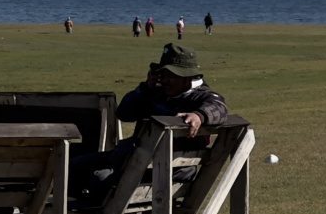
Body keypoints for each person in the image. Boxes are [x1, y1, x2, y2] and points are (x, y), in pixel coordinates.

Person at [71, 43, 228, 199]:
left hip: (167, 169)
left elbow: (219, 108)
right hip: (133, 159)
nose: (165, 80)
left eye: (171, 75)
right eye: (162, 75)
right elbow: (123, 113)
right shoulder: (155, 93)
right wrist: (146, 88)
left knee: (101, 179)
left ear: (188, 77)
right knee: (71, 165)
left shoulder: (201, 96)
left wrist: (198, 116)